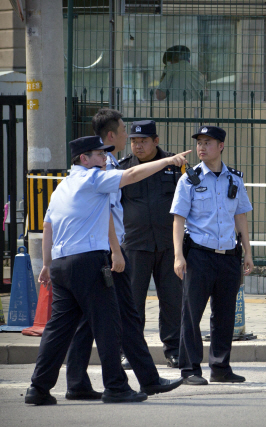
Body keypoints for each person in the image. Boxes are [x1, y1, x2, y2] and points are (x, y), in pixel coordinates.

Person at [25, 136, 189, 405]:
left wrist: (46, 264)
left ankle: (38, 387)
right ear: (83, 159)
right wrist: (168, 161)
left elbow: (48, 228)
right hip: (89, 263)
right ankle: (115, 386)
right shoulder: (93, 180)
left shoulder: (62, 187)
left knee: (58, 331)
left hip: (62, 266)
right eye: (99, 155)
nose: (104, 159)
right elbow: (133, 173)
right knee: (108, 325)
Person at [63, 109, 183, 401]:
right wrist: (116, 251)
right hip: (105, 254)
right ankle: (109, 382)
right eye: (127, 133)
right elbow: (108, 209)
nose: (135, 142)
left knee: (115, 317)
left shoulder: (101, 165)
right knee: (108, 319)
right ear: (112, 136)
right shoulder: (102, 169)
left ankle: (137, 378)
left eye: (141, 139)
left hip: (103, 252)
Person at [171, 125, 254, 385]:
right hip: (199, 254)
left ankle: (220, 367)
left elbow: (240, 215)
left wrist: (248, 252)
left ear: (221, 146)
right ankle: (190, 370)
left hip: (229, 254)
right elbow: (178, 218)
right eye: (199, 142)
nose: (202, 147)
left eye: (208, 142)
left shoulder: (235, 179)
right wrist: (178, 256)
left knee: (224, 314)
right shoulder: (189, 178)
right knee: (192, 313)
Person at [118, 120, 183, 368]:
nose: (138, 146)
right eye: (134, 141)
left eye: (143, 141)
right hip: (135, 245)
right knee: (133, 301)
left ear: (156, 141)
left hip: (168, 245)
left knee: (172, 299)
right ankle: (130, 351)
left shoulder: (175, 166)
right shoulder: (124, 169)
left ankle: (174, 350)